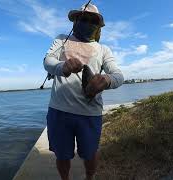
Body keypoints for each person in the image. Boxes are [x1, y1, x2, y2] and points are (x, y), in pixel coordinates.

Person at [43, 3, 124, 180]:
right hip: (59, 111)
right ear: (75, 21)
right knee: (62, 155)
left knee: (90, 153)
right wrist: (62, 66)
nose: (87, 22)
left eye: (92, 20)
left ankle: (90, 177)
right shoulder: (61, 39)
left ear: (98, 25)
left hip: (90, 114)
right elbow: (47, 61)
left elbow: (118, 75)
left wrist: (106, 80)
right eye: (83, 18)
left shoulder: (103, 49)